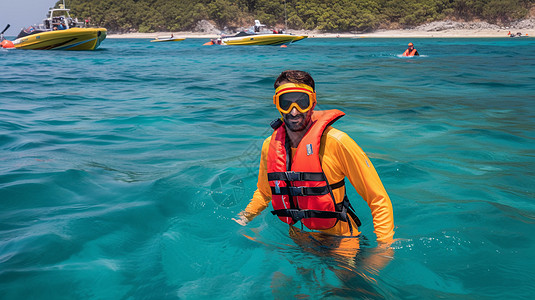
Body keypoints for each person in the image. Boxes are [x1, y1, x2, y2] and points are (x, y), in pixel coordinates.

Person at [233, 70, 395, 247]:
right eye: (285, 103)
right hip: (298, 238)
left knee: (349, 275)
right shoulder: (269, 145)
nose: (294, 112)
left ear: (313, 103)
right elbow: (265, 192)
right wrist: (244, 217)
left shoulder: (337, 142)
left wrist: (384, 247)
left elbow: (378, 199)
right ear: (276, 104)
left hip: (341, 242)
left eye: (302, 102)